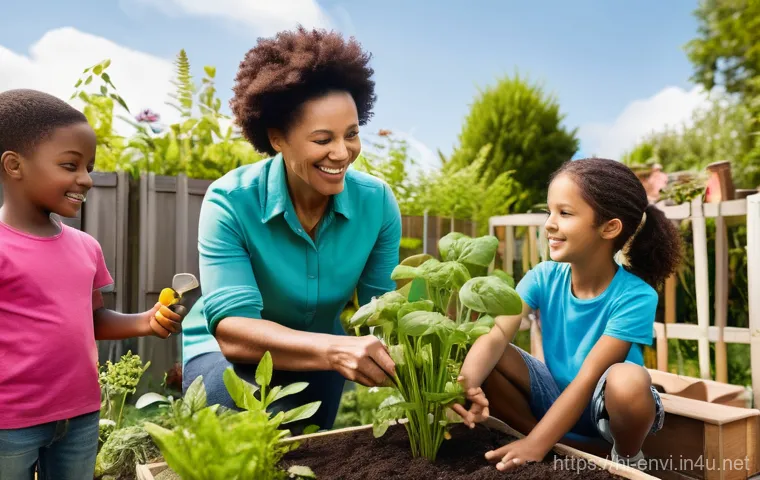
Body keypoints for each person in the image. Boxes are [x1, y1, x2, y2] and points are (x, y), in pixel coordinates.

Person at [181, 27, 400, 432]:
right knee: (243, 435)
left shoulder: (377, 203)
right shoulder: (230, 201)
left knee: (313, 454)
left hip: (322, 356)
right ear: (278, 138)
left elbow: (385, 312)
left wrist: (439, 377)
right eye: (322, 139)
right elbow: (233, 331)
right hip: (227, 358)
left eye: (351, 135)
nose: (342, 153)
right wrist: (335, 350)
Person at [0, 89, 186, 479]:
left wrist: (146, 320)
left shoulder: (85, 247)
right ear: (14, 165)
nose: (85, 179)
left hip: (80, 414)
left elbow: (93, 318)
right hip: (9, 422)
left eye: (89, 166)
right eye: (70, 165)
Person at [453, 157, 683, 472]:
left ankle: (625, 459)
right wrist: (465, 386)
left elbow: (589, 377)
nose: (549, 223)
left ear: (609, 227)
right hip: (553, 396)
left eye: (565, 213)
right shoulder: (543, 276)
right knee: (488, 352)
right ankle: (554, 444)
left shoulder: (636, 295)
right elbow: (496, 336)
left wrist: (536, 445)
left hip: (604, 410)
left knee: (627, 380)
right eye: (549, 211)